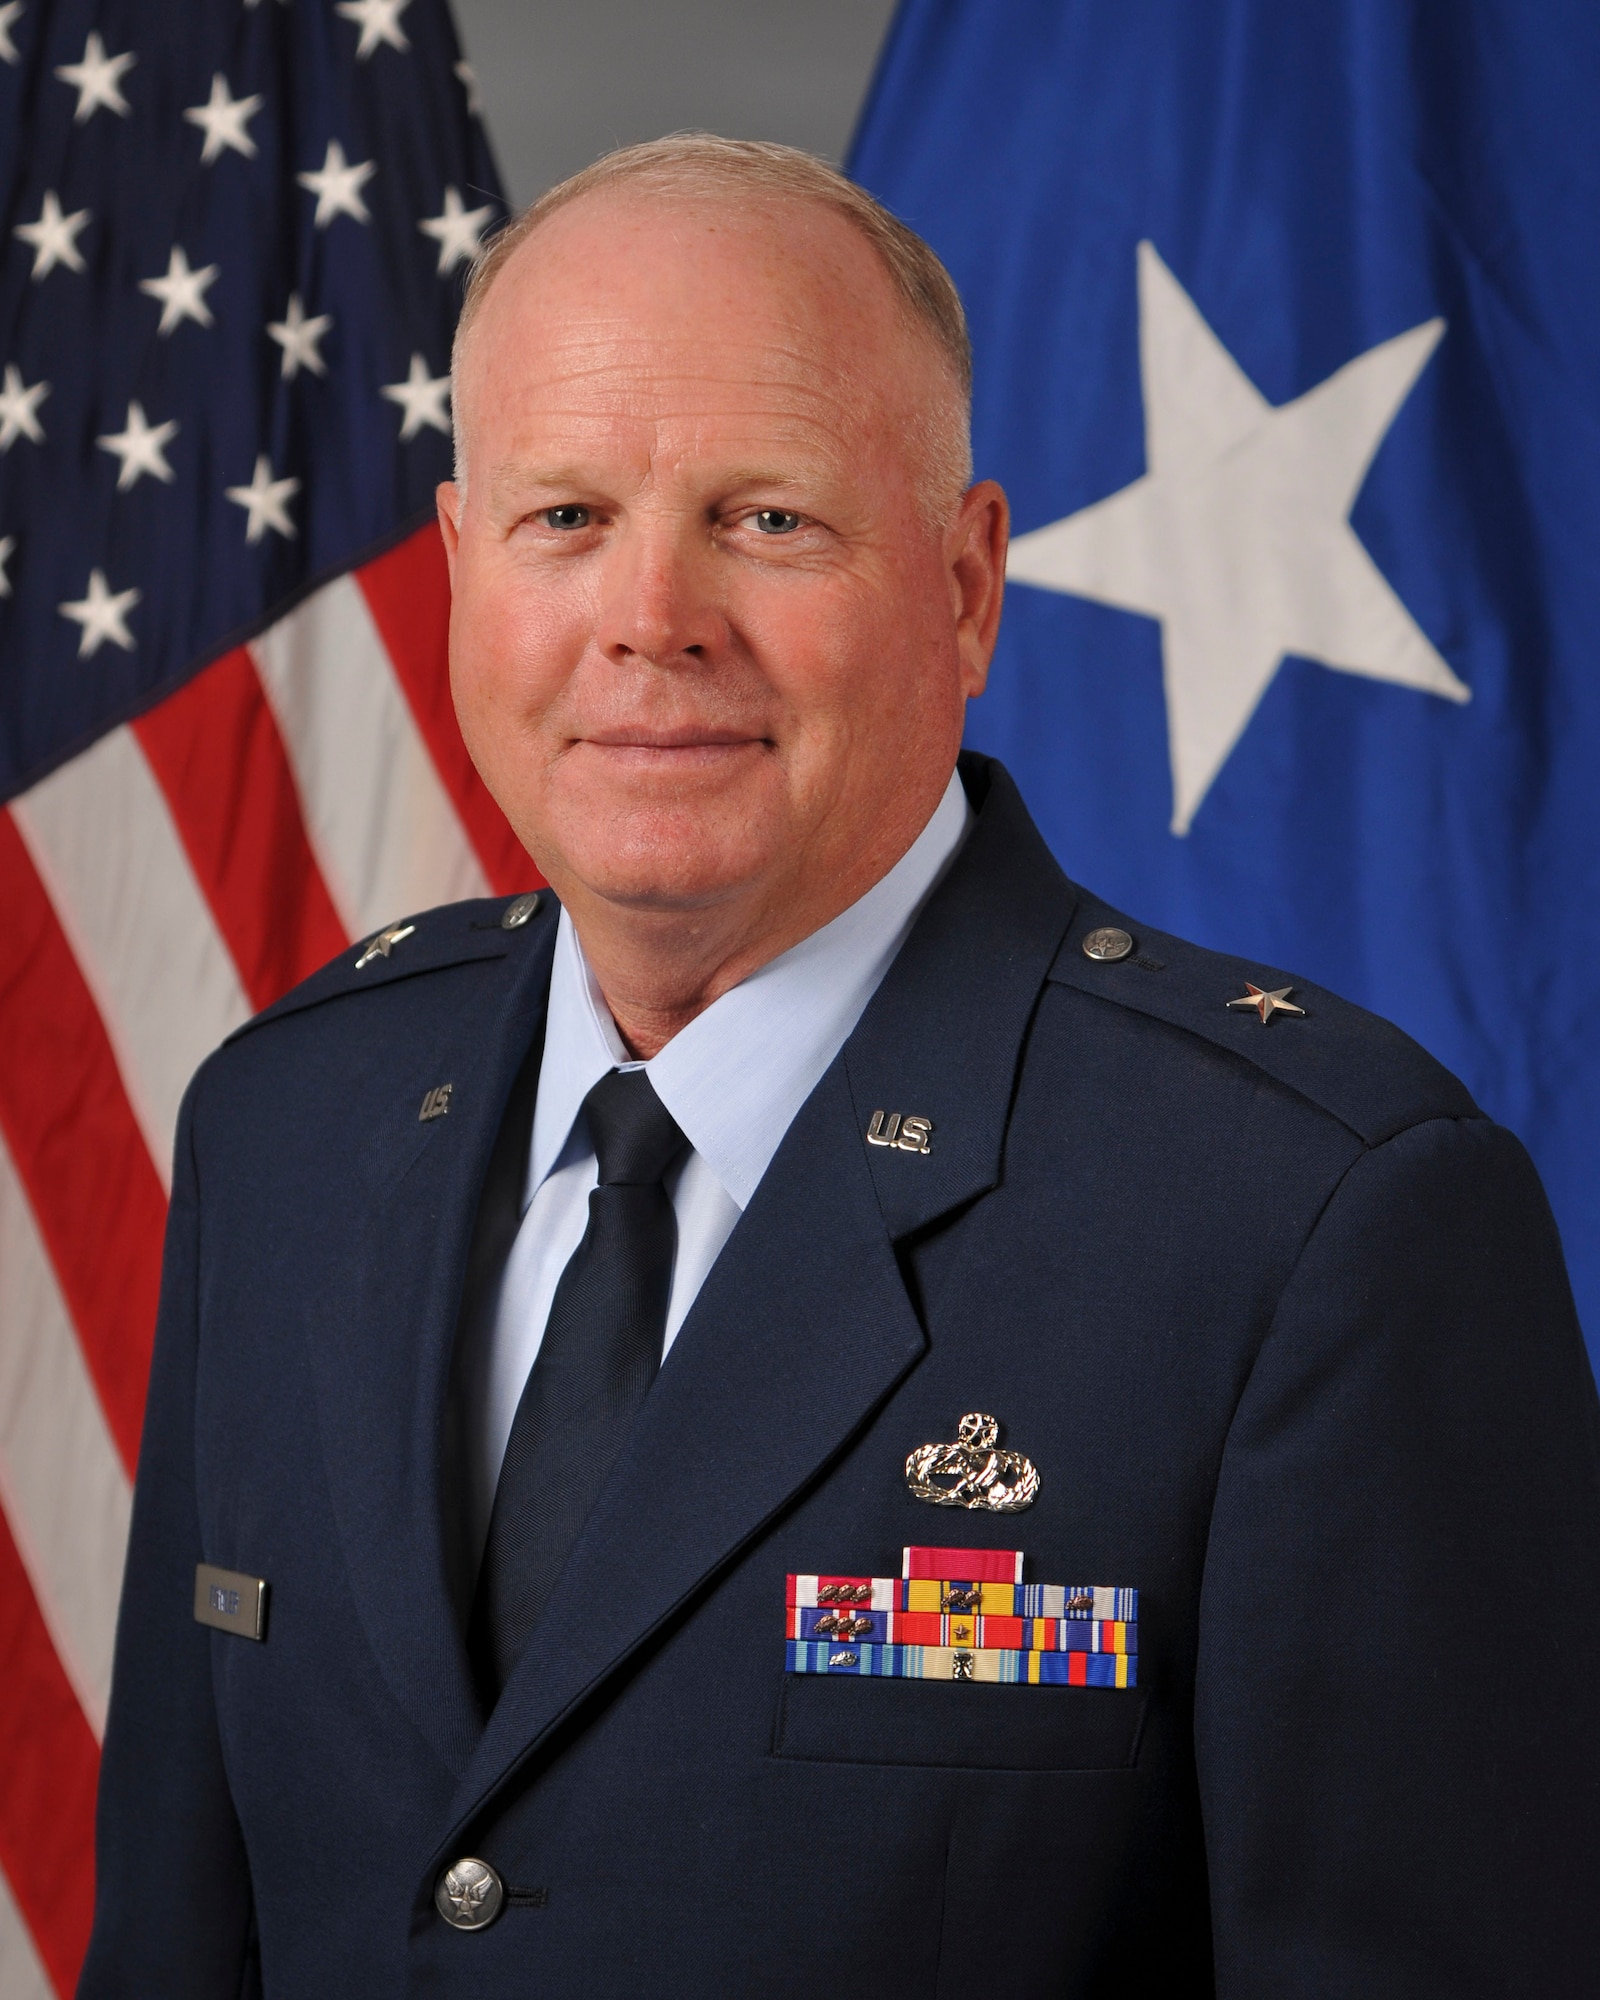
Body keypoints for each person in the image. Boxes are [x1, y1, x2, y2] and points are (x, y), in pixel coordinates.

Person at [82, 135, 1600, 1998]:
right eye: (566, 519)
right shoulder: (291, 1125)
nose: (653, 618)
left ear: (967, 587)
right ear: (464, 573)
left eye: (767, 519)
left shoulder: (1313, 1220)